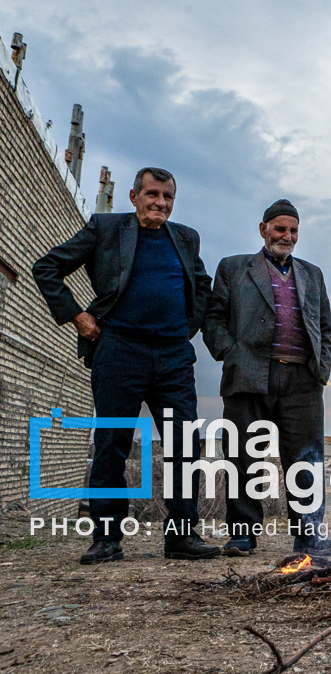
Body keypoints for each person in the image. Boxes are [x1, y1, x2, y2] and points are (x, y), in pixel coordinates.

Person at [32, 167, 220, 564]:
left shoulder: (186, 237)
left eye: (168, 197)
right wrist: (77, 316)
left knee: (185, 446)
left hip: (173, 356)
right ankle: (106, 539)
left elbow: (200, 286)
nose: (160, 203)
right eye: (152, 194)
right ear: (134, 197)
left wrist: (189, 326)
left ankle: (182, 537)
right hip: (119, 350)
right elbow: (46, 268)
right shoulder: (105, 227)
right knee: (111, 446)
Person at [203, 199, 331, 556]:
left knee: (305, 459)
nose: (288, 236)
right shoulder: (234, 268)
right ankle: (243, 535)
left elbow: (325, 327)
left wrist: (321, 369)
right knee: (245, 456)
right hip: (248, 374)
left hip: (302, 380)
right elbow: (214, 318)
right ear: (263, 229)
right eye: (280, 229)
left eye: (293, 230)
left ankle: (309, 535)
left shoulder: (313, 273)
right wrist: (229, 354)